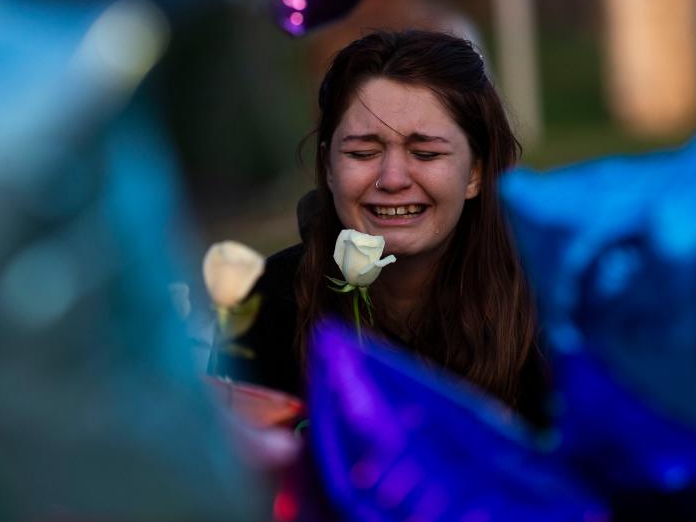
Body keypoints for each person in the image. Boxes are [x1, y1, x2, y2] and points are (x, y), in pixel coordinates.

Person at [219, 30, 549, 426]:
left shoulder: (547, 310)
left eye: (425, 153)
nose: (392, 179)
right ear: (328, 167)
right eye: (362, 153)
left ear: (475, 172)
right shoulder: (271, 302)